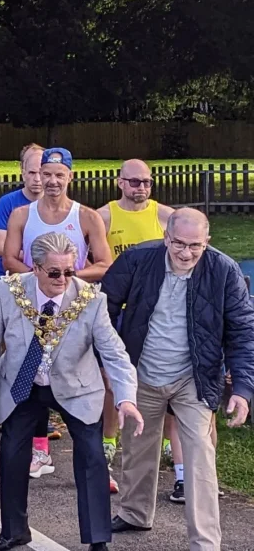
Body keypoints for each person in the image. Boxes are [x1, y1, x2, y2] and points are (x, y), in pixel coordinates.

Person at [0, 232, 142, 551]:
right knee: (11, 453)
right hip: (23, 381)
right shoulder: (8, 292)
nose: (63, 279)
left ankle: (97, 539)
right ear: (34, 268)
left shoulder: (92, 299)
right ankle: (14, 531)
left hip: (77, 386)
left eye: (69, 271)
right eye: (54, 272)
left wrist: (126, 397)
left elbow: (115, 353)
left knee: (92, 456)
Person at [102, 208, 253, 551]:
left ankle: (205, 541)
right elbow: (103, 309)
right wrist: (112, 364)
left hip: (194, 376)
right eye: (179, 244)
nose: (186, 253)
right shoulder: (138, 259)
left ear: (207, 242)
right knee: (138, 444)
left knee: (200, 453)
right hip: (143, 370)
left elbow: (243, 332)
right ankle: (134, 512)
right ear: (166, 237)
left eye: (195, 246)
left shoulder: (225, 271)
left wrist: (242, 390)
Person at [95, 158, 174, 494]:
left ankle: (169, 442)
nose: (141, 188)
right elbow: (93, 261)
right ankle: (109, 440)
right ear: (120, 182)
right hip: (120, 309)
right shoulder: (104, 217)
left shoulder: (165, 217)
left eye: (146, 182)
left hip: (158, 311)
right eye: (134, 182)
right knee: (113, 380)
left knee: (166, 378)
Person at [3, 148, 111, 283]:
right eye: (47, 174)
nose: (53, 181)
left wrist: (67, 277)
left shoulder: (88, 217)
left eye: (59, 175)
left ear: (70, 176)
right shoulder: (20, 215)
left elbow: (105, 265)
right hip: (32, 295)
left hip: (74, 297)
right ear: (40, 174)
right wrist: (40, 279)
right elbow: (8, 260)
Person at [0, 144, 44, 279]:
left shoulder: (55, 204)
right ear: (23, 173)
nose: (37, 179)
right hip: (10, 277)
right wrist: (35, 258)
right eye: (32, 173)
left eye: (41, 173)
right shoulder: (7, 202)